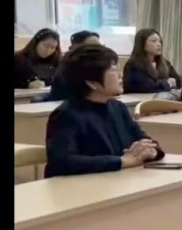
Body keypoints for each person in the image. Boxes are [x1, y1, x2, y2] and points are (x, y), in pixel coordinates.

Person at [44, 44, 165, 178]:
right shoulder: (66, 115)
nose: (121, 75)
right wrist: (122, 161)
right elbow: (63, 162)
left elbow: (145, 140)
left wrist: (151, 151)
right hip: (81, 187)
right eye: (114, 70)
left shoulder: (118, 108)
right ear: (92, 82)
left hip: (117, 181)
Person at [123, 28, 182, 93]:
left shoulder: (165, 63)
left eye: (159, 41)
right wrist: (168, 83)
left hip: (163, 97)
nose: (159, 44)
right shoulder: (133, 65)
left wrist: (165, 84)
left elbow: (178, 81)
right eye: (154, 41)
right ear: (142, 44)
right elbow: (148, 86)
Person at [48, 31, 101, 101]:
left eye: (99, 46)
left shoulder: (97, 63)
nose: (98, 50)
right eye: (92, 46)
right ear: (77, 47)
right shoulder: (70, 64)